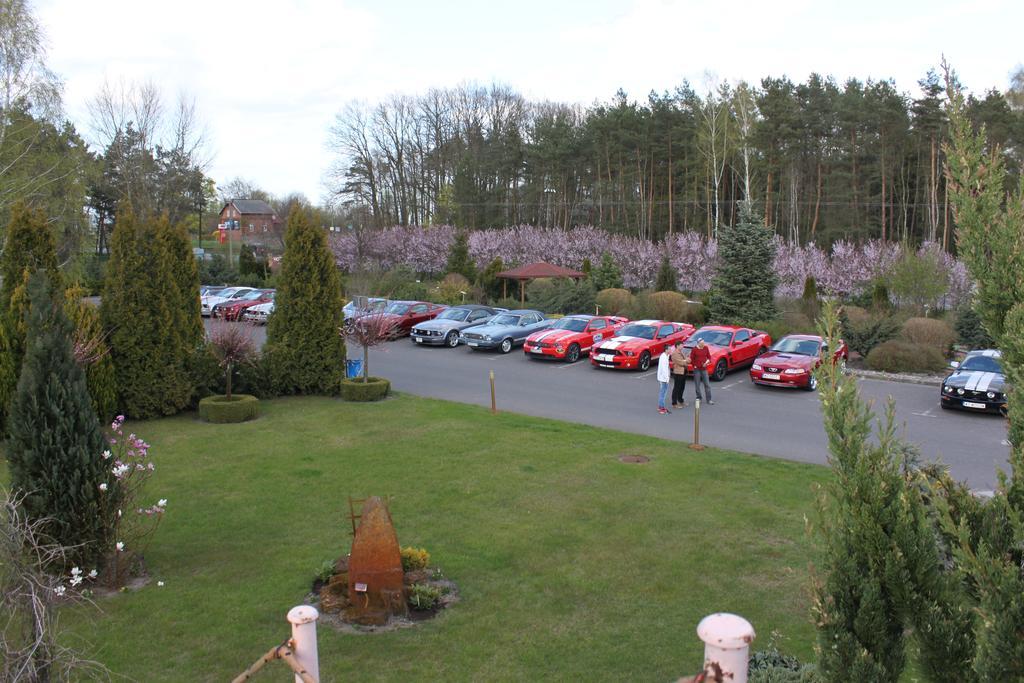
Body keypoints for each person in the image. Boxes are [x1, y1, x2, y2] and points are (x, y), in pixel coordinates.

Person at [690, 338, 714, 405]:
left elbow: (709, 357)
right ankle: (699, 397)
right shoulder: (694, 349)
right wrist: (694, 365)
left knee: (707, 385)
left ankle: (709, 399)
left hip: (704, 369)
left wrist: (706, 362)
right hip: (697, 369)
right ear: (698, 343)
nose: (703, 345)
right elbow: (691, 359)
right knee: (697, 384)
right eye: (702, 344)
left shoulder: (706, 348)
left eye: (703, 343)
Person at [670, 341, 689, 409]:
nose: (682, 346)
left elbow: (688, 360)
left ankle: (680, 400)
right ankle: (674, 403)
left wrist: (685, 361)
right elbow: (680, 362)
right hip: (678, 372)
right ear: (677, 346)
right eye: (681, 345)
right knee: (677, 388)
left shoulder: (682, 352)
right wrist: (685, 361)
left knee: (682, 387)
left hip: (683, 371)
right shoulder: (675, 353)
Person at [656, 345, 672, 414]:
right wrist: (667, 379)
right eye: (669, 349)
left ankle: (660, 406)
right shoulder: (664, 358)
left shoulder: (665, 356)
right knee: (663, 393)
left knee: (662, 392)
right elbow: (664, 369)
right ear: (666, 350)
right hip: (663, 379)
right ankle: (661, 408)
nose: (670, 350)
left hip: (663, 378)